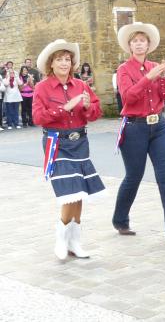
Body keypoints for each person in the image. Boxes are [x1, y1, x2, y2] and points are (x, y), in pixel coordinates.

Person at [112, 22, 165, 246]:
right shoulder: (124, 69)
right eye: (135, 41)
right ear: (130, 45)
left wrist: (163, 77)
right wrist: (149, 77)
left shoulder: (155, 65)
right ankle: (120, 219)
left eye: (142, 40)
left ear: (148, 44)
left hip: (159, 125)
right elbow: (128, 97)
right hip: (135, 126)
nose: (139, 44)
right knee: (134, 176)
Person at [32, 39, 106, 260]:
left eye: (67, 59)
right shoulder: (42, 87)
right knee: (69, 193)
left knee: (80, 192)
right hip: (57, 144)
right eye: (59, 59)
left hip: (80, 142)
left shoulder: (81, 85)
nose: (64, 63)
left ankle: (75, 241)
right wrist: (64, 108)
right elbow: (38, 117)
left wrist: (85, 106)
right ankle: (61, 238)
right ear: (51, 64)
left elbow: (96, 112)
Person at [2, 61, 23, 129]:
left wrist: (16, 77)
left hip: (16, 97)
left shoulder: (16, 79)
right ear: (8, 74)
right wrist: (8, 77)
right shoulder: (5, 79)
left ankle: (16, 123)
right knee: (9, 111)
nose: (11, 74)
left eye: (12, 73)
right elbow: (6, 84)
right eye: (10, 73)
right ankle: (10, 124)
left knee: (16, 111)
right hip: (8, 97)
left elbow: (20, 83)